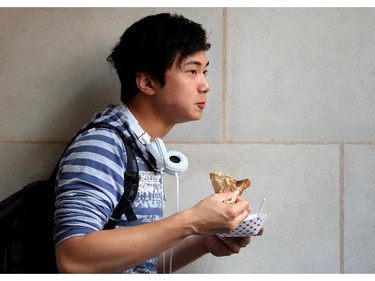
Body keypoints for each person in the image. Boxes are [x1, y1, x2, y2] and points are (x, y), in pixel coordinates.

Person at [54, 12, 263, 274]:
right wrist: (191, 221)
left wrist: (204, 241)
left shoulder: (143, 149)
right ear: (147, 82)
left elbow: (138, 264)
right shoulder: (103, 145)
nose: (206, 85)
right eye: (192, 71)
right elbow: (73, 259)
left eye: (205, 71)